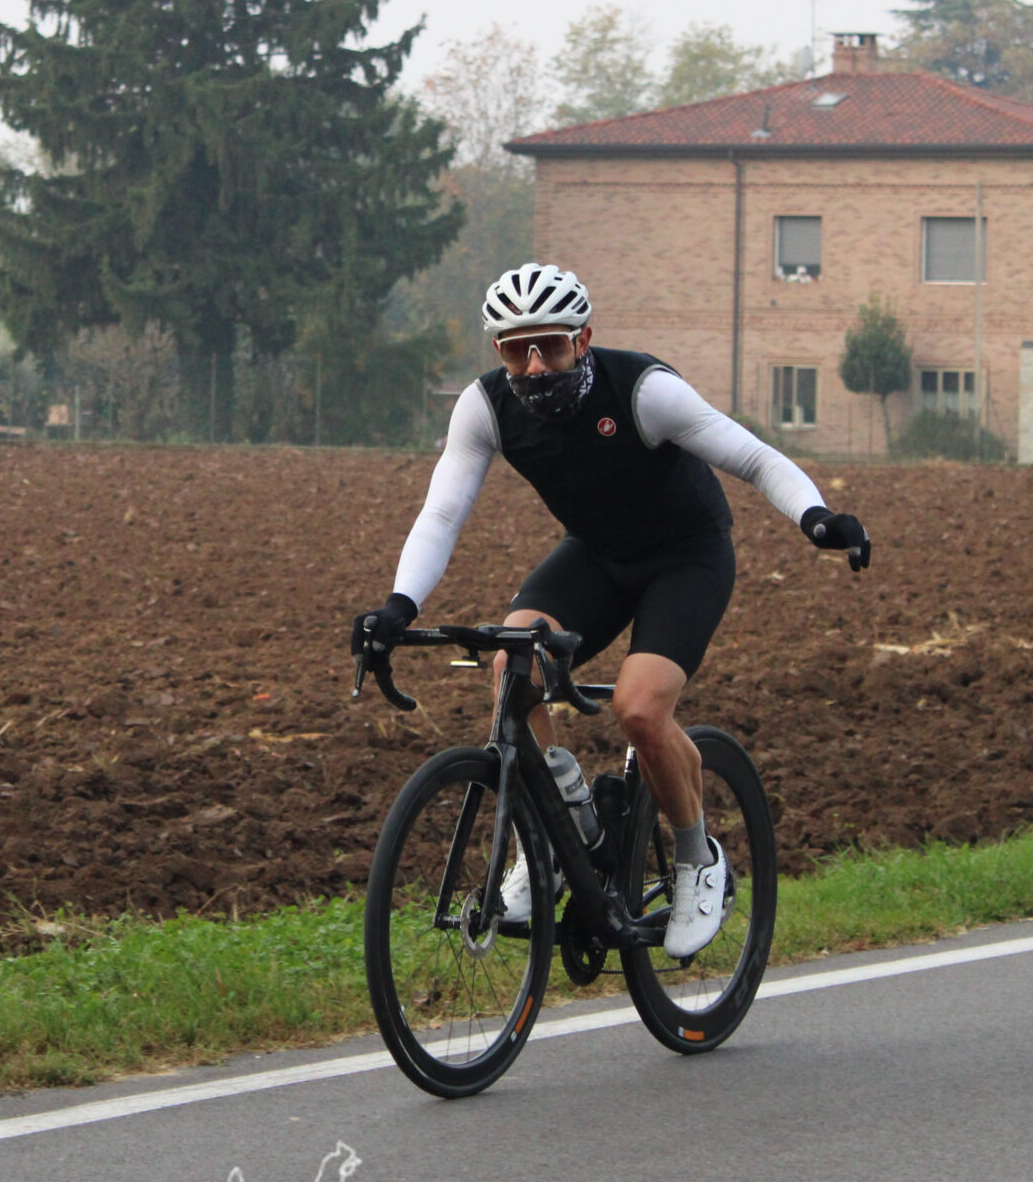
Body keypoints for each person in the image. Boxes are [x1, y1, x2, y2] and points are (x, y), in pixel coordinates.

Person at [354, 262, 870, 958]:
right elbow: (443, 511)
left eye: (550, 346)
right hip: (597, 556)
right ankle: (556, 834)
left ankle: (698, 859)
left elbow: (752, 458)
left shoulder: (644, 392)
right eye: (516, 351)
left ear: (583, 339)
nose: (534, 367)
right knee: (512, 666)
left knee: (640, 708)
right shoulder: (485, 407)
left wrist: (816, 516)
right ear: (498, 350)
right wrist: (399, 604)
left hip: (685, 557)